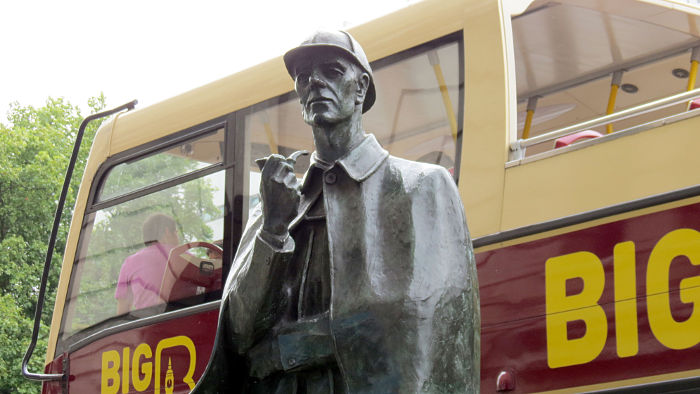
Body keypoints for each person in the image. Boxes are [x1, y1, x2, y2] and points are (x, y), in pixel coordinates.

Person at [194, 31, 479, 393]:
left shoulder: (421, 186)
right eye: (303, 76)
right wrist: (274, 230)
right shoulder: (273, 208)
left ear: (360, 88)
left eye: (331, 70)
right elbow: (239, 334)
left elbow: (423, 317)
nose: (314, 82)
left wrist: (294, 347)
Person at [115, 213, 179, 314]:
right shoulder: (184, 257)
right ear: (167, 232)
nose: (178, 238)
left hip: (148, 327)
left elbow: (122, 311)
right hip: (188, 324)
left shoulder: (130, 263)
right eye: (176, 232)